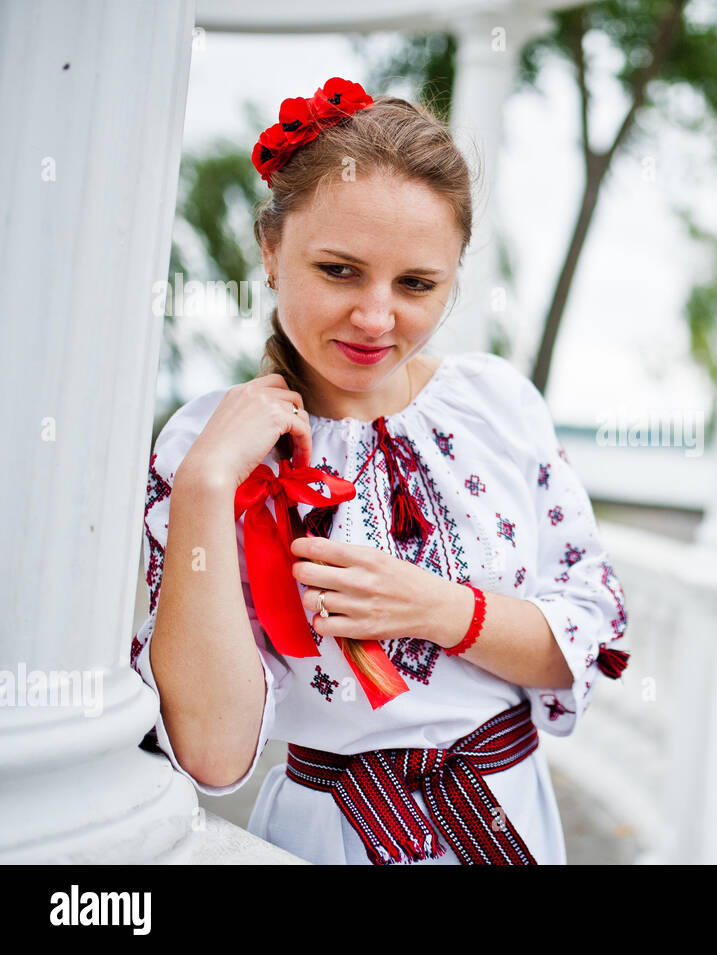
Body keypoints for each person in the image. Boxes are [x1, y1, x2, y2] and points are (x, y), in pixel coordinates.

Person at [129, 78, 629, 865]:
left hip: (507, 819)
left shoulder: (498, 406)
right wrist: (204, 486)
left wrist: (439, 608)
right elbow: (214, 754)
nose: (374, 317)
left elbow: (587, 640)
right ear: (270, 247)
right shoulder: (206, 447)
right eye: (338, 270)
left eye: (416, 285)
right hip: (331, 839)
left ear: (455, 276)